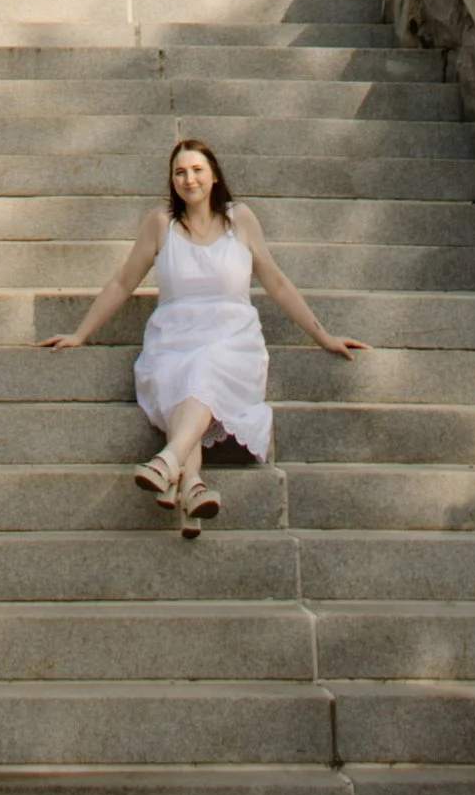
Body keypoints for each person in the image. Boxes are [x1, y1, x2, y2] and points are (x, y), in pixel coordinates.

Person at [42, 137, 366, 534]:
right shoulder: (160, 224)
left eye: (197, 170)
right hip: (171, 339)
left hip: (232, 340)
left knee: (204, 367)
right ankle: (192, 484)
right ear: (172, 181)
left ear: (214, 176)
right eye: (180, 172)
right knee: (185, 373)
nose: (188, 179)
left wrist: (324, 336)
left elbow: (277, 283)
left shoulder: (240, 219)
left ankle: (168, 460)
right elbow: (123, 282)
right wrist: (80, 333)